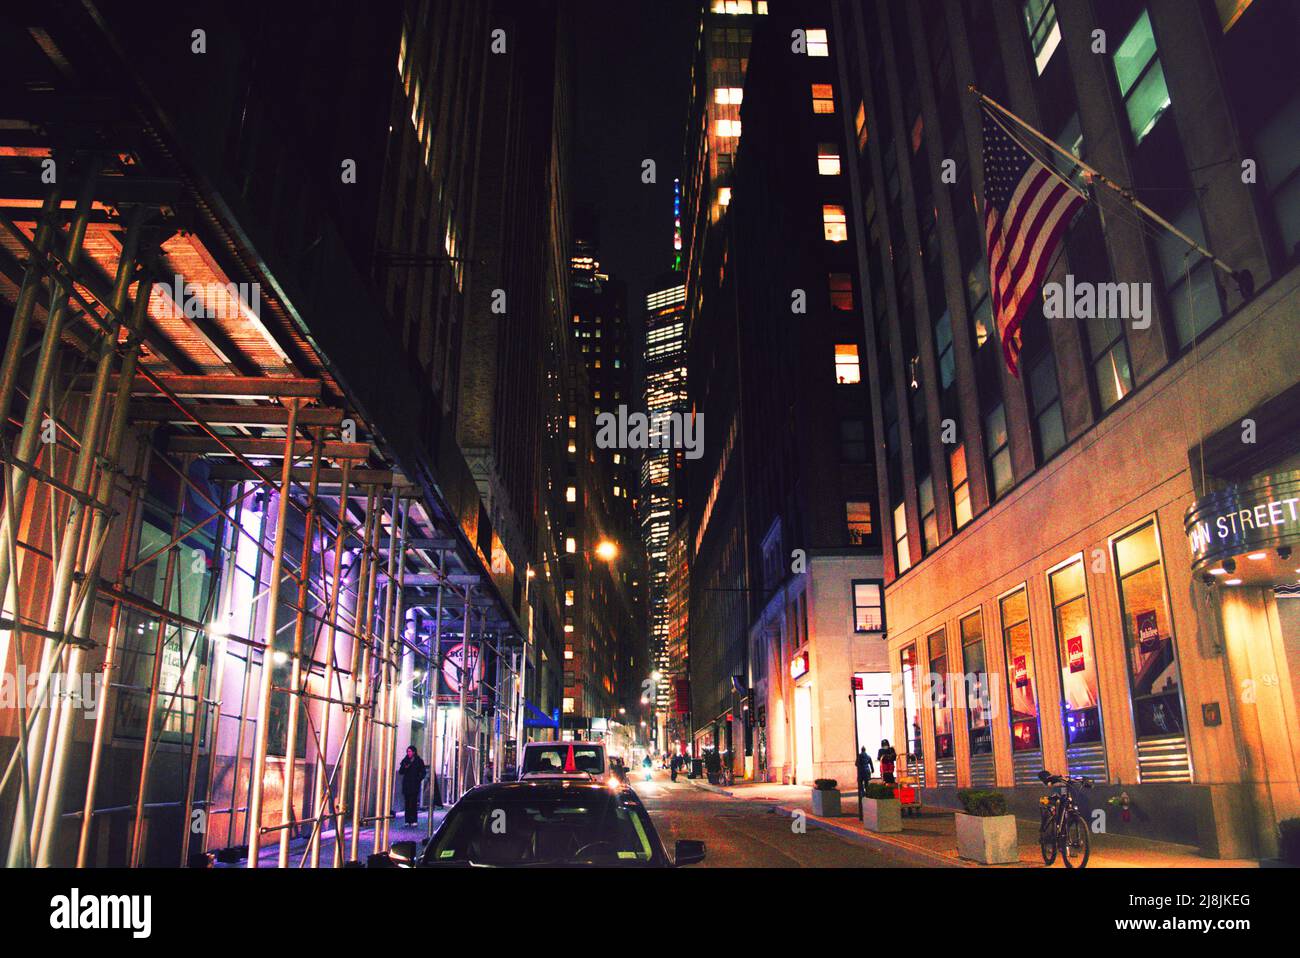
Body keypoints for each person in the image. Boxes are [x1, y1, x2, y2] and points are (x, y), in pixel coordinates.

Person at [397, 746, 427, 826]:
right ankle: (407, 820)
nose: (408, 753)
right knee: (407, 802)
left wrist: (418, 779)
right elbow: (401, 772)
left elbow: (423, 772)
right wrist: (405, 767)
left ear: (414, 752)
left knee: (413, 802)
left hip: (414, 784)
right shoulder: (405, 760)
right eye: (407, 751)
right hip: (407, 784)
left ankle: (414, 820)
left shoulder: (418, 761)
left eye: (410, 751)